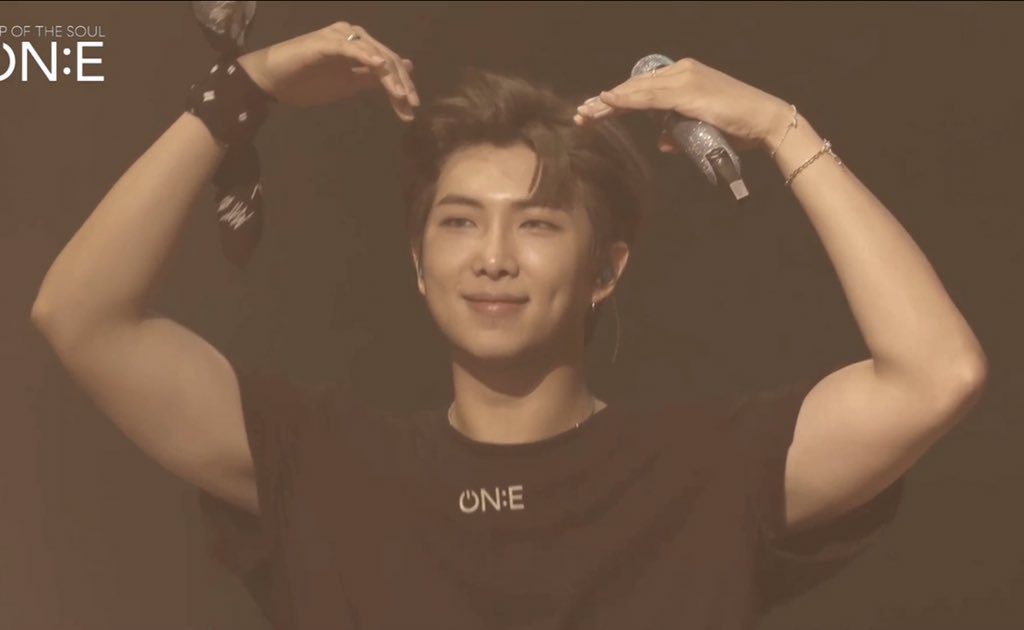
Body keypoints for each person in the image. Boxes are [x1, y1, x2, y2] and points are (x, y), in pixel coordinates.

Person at [30, 19, 988, 630]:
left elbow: (936, 374)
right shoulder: (320, 463)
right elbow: (79, 314)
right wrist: (243, 91)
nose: (493, 257)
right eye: (459, 222)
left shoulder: (708, 471)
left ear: (606, 269)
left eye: (536, 224)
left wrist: (780, 126)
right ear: (418, 265)